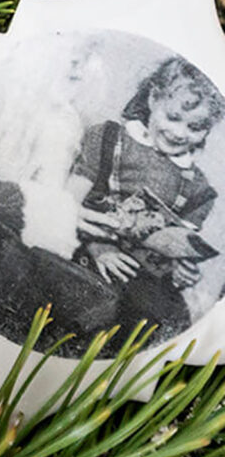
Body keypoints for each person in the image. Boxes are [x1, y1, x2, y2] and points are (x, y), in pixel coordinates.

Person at [71, 56, 224, 335]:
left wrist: (180, 270)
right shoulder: (106, 139)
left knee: (167, 319)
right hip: (84, 252)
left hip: (143, 280)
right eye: (173, 117)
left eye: (195, 127)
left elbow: (176, 245)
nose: (179, 133)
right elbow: (65, 205)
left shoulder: (199, 190)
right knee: (91, 307)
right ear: (154, 99)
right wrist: (98, 248)